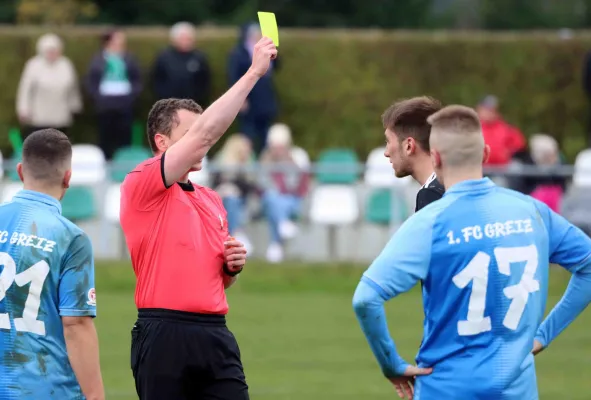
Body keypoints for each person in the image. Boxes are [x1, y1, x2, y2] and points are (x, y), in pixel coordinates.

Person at [353, 105, 591, 400]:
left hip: (446, 387)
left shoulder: (429, 222)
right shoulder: (532, 211)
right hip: (518, 389)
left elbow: (366, 298)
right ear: (486, 154)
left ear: (435, 157)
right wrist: (544, 334)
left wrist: (391, 364)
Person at [120, 37, 277, 400]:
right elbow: (210, 131)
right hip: (163, 334)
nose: (201, 141)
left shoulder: (211, 199)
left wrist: (231, 268)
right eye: (189, 134)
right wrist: (254, 72)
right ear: (162, 142)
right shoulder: (143, 183)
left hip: (215, 333)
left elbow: (218, 281)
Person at [0, 129, 103, 399]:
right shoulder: (71, 237)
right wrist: (95, 395)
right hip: (45, 388)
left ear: (20, 171)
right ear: (68, 178)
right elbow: (75, 324)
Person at [381, 96, 445, 211]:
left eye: (388, 141)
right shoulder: (457, 185)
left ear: (409, 146)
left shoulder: (431, 195)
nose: (386, 153)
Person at [86, 29, 142, 159]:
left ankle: (124, 167)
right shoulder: (98, 59)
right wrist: (98, 98)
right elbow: (91, 81)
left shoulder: (129, 59)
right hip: (105, 106)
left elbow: (137, 79)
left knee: (125, 138)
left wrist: (131, 96)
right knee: (105, 137)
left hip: (125, 105)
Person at [259, 123, 309, 263]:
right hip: (270, 200)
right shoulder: (266, 157)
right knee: (272, 197)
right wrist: (268, 163)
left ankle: (275, 244)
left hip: (292, 200)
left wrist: (288, 162)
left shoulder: (296, 156)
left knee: (278, 202)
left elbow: (293, 186)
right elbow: (262, 184)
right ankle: (282, 223)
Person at [16, 33, 82, 138]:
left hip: (61, 117)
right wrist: (23, 109)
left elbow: (73, 88)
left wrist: (75, 106)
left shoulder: (66, 64)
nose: (53, 53)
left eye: (55, 50)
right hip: (39, 117)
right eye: (50, 50)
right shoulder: (33, 65)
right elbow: (25, 89)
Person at [228, 23, 279, 155]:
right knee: (247, 134)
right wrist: (240, 99)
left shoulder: (267, 50)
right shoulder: (239, 52)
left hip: (264, 100)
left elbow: (277, 65)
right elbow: (233, 76)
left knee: (265, 135)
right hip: (248, 98)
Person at [212, 133, 257, 253]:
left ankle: (233, 236)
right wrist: (225, 189)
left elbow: (250, 187)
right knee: (231, 200)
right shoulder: (220, 162)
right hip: (222, 200)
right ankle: (235, 236)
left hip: (243, 201)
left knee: (233, 201)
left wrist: (232, 188)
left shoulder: (248, 164)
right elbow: (214, 185)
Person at [152, 22, 212, 106]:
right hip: (168, 106)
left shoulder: (199, 58)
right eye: (182, 38)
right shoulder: (163, 57)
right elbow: (156, 80)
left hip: (193, 105)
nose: (185, 41)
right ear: (174, 39)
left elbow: (205, 82)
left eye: (188, 38)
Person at [476, 95, 526, 167]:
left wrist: (507, 153)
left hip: (501, 170)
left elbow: (519, 147)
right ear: (479, 109)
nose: (489, 113)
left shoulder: (507, 129)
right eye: (486, 109)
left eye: (492, 110)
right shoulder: (471, 129)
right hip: (478, 169)